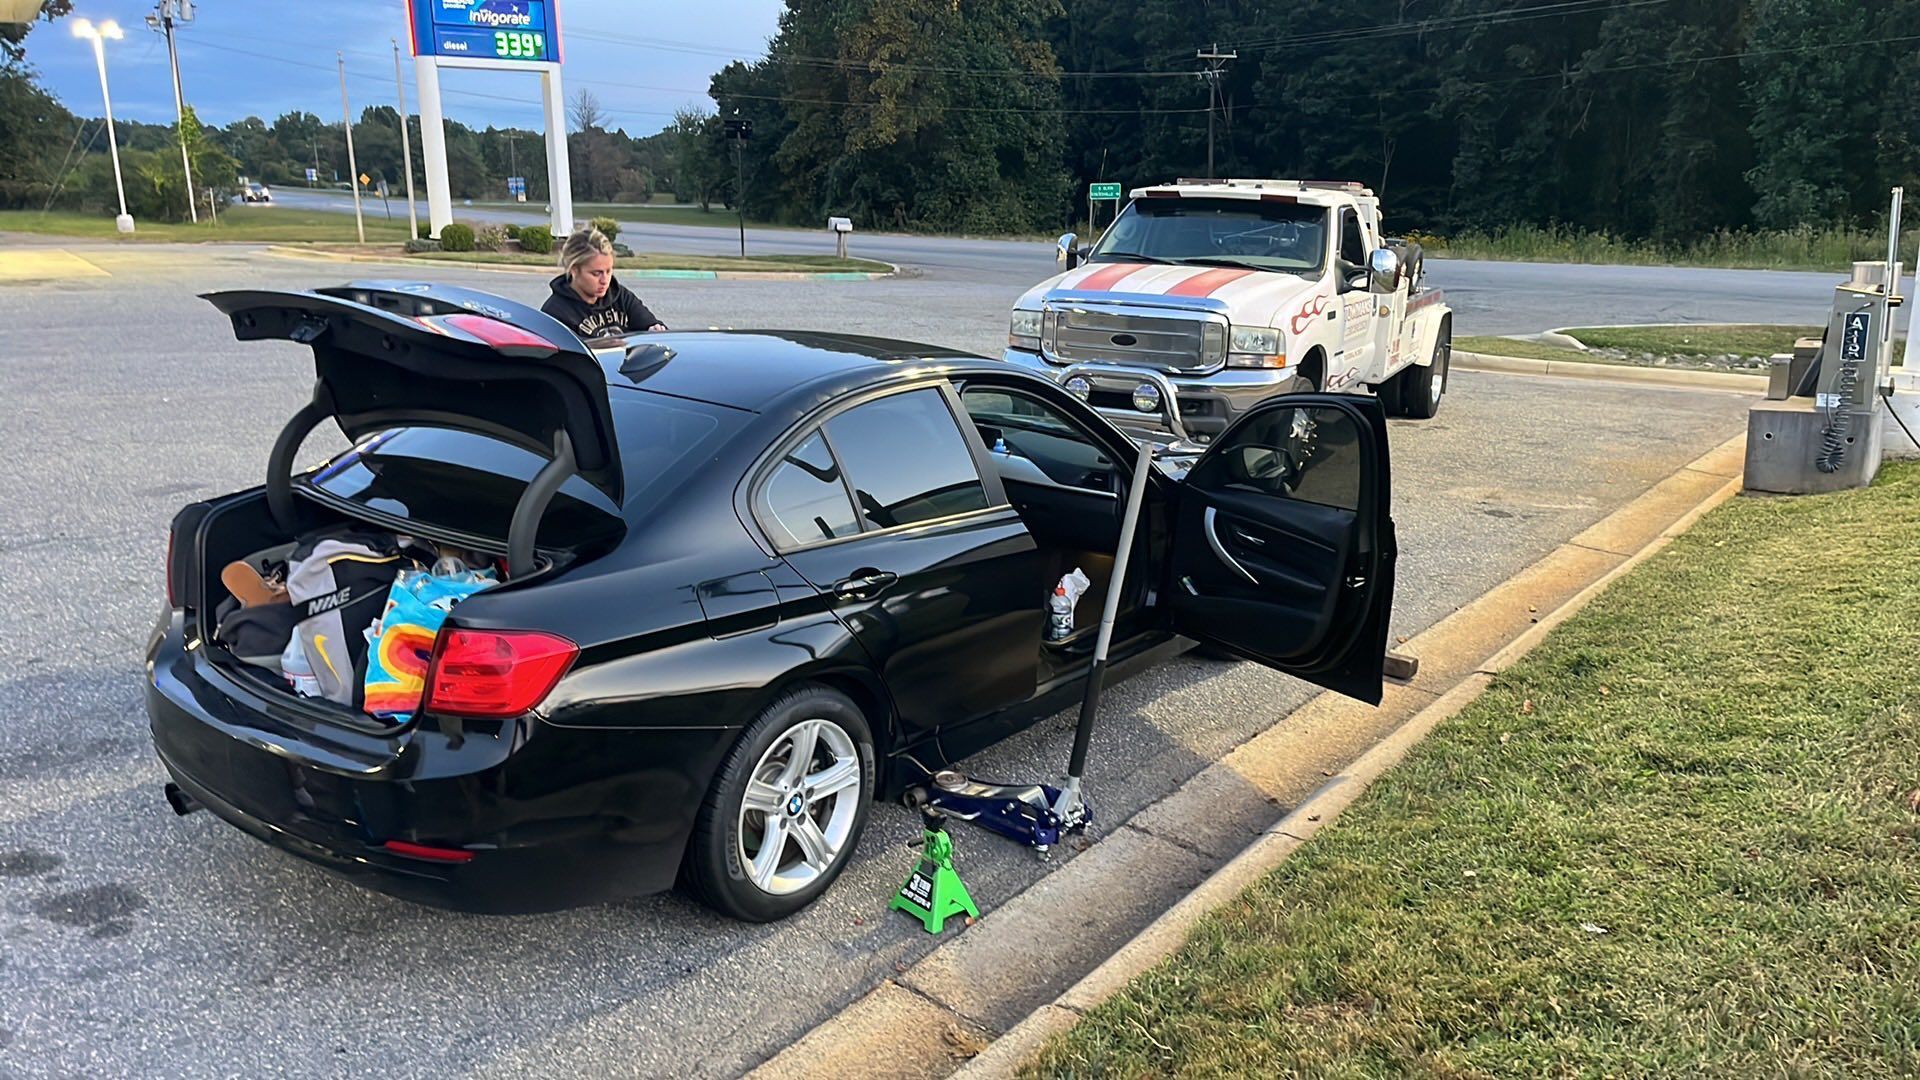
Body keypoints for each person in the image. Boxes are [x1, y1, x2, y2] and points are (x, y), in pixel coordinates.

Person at [541, 227, 667, 339]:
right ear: (574, 270)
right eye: (596, 273)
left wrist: (655, 331)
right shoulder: (555, 313)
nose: (605, 280)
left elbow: (651, 325)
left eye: (609, 271)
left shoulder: (620, 296)